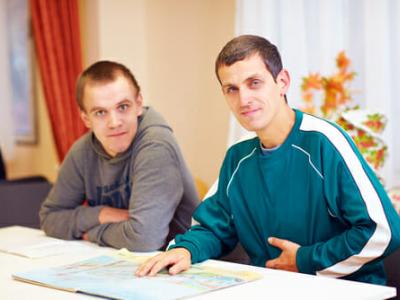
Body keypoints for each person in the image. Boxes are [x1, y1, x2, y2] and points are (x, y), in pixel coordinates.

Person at [136, 35, 400, 284]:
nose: (244, 99)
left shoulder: (325, 142)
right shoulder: (238, 157)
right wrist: (186, 250)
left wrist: (305, 259)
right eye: (231, 89)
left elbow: (383, 232)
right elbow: (213, 227)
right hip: (273, 289)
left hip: (348, 292)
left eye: (254, 83)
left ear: (282, 81)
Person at [39, 61, 199, 251]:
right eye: (100, 112)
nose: (114, 123)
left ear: (139, 104)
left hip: (188, 266)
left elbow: (145, 239)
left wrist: (92, 233)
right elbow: (50, 218)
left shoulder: (156, 145)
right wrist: (103, 214)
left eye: (122, 107)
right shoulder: (82, 151)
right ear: (85, 119)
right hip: (127, 264)